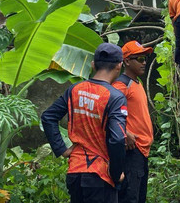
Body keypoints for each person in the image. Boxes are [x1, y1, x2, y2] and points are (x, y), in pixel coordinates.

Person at [41, 43, 127, 203]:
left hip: (75, 172)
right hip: (100, 175)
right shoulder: (115, 97)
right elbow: (118, 139)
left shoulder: (75, 89)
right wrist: (116, 173)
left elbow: (48, 117)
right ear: (119, 66)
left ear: (93, 64)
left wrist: (61, 149)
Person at [112, 41, 154, 203]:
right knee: (130, 197)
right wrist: (124, 132)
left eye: (146, 58)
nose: (144, 62)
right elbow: (106, 111)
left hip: (142, 150)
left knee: (139, 196)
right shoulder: (121, 85)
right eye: (140, 59)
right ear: (127, 61)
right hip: (131, 150)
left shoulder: (137, 83)